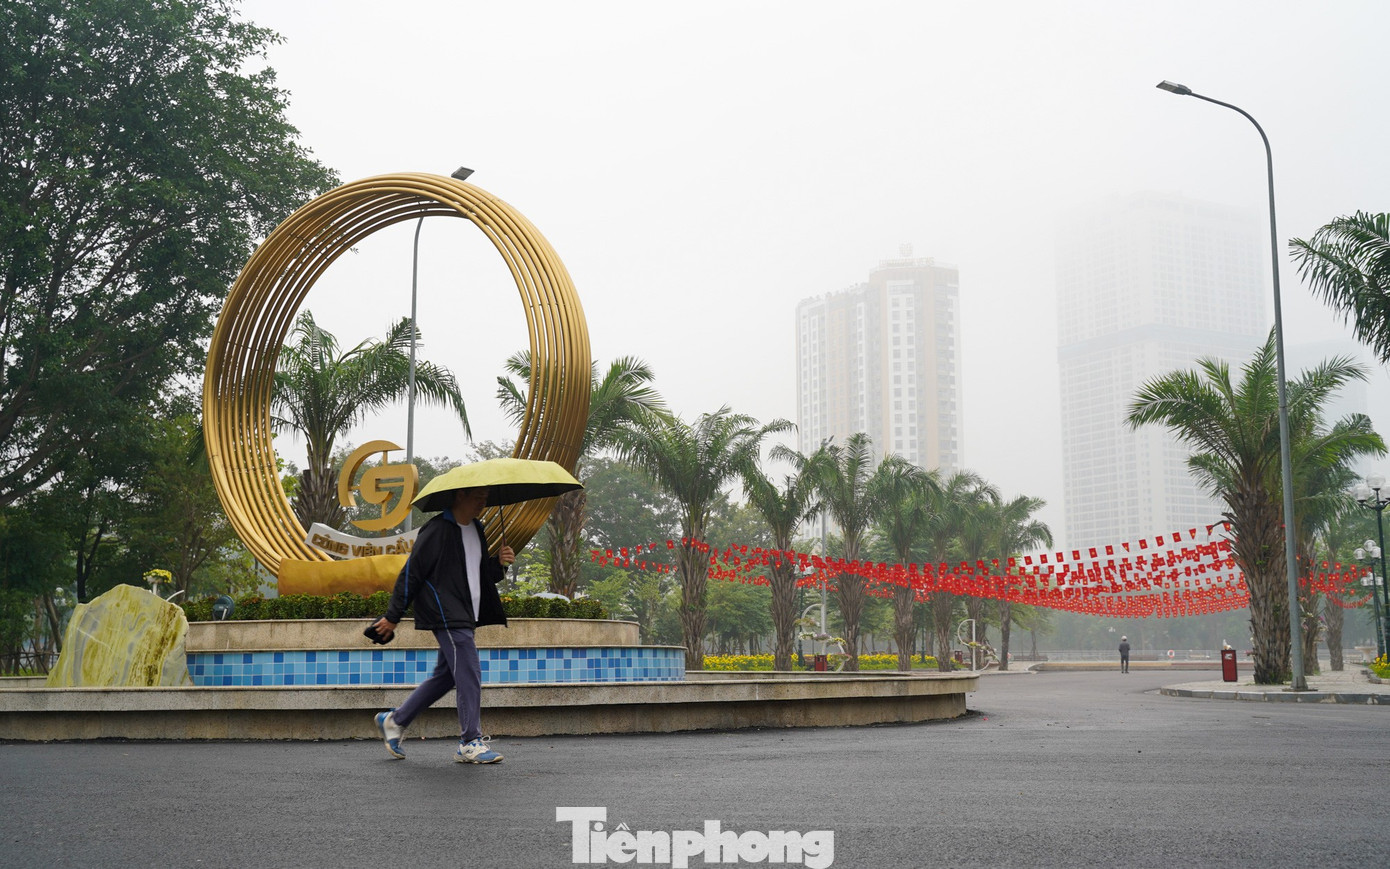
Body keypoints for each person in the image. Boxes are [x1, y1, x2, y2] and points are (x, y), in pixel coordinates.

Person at [370, 485, 514, 763]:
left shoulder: (476, 529)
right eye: (478, 498)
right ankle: (470, 741)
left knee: (447, 675)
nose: (482, 504)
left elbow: (480, 575)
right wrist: (393, 616)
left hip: (466, 613)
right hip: (445, 613)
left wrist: (500, 564)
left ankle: (395, 721)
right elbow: (411, 573)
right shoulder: (437, 530)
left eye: (485, 499)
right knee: (469, 668)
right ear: (460, 496)